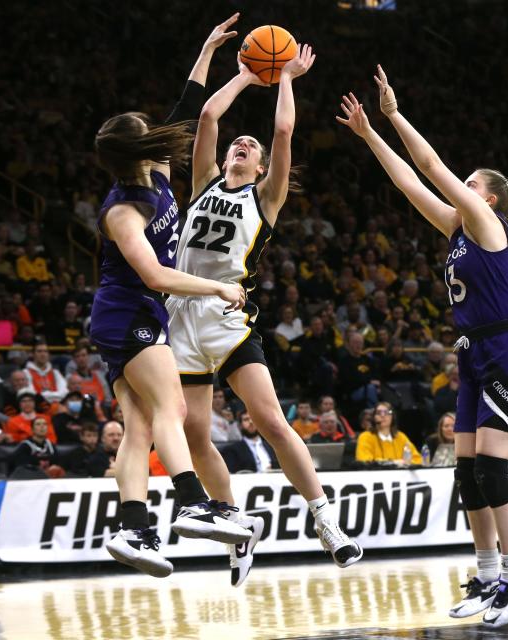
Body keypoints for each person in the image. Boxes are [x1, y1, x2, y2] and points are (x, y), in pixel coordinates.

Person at [337, 66, 508, 626]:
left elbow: (431, 167)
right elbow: (409, 184)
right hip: (472, 354)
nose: (458, 188)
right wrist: (369, 135)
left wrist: (393, 115)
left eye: (469, 184)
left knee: (492, 471)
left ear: (489, 198)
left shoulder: (489, 226)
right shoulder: (457, 229)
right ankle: (488, 576)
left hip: (507, 352)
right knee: (466, 475)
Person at [166, 40, 360, 588]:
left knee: (271, 420)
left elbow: (281, 133)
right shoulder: (202, 183)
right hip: (180, 317)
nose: (242, 143)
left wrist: (287, 79)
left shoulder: (264, 199)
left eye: (249, 147)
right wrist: (249, 77)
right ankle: (234, 526)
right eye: (236, 143)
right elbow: (207, 114)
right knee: (196, 435)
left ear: (260, 168)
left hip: (227, 315)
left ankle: (325, 519)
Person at [88, 13, 252, 579]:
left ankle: (134, 529)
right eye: (147, 128)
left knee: (138, 427)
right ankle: (191, 504)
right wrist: (217, 286)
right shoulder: (123, 211)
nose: (160, 131)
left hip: (130, 314)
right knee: (172, 410)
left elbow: (187, 108)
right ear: (139, 148)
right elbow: (156, 278)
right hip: (128, 311)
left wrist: (207, 50)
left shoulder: (154, 168)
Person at [355, 402, 422, 464]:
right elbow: (364, 461)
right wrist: (394, 462)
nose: (383, 415)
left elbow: (418, 459)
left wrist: (405, 462)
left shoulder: (401, 437)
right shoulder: (365, 437)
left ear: (392, 417)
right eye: (378, 413)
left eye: (387, 412)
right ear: (374, 418)